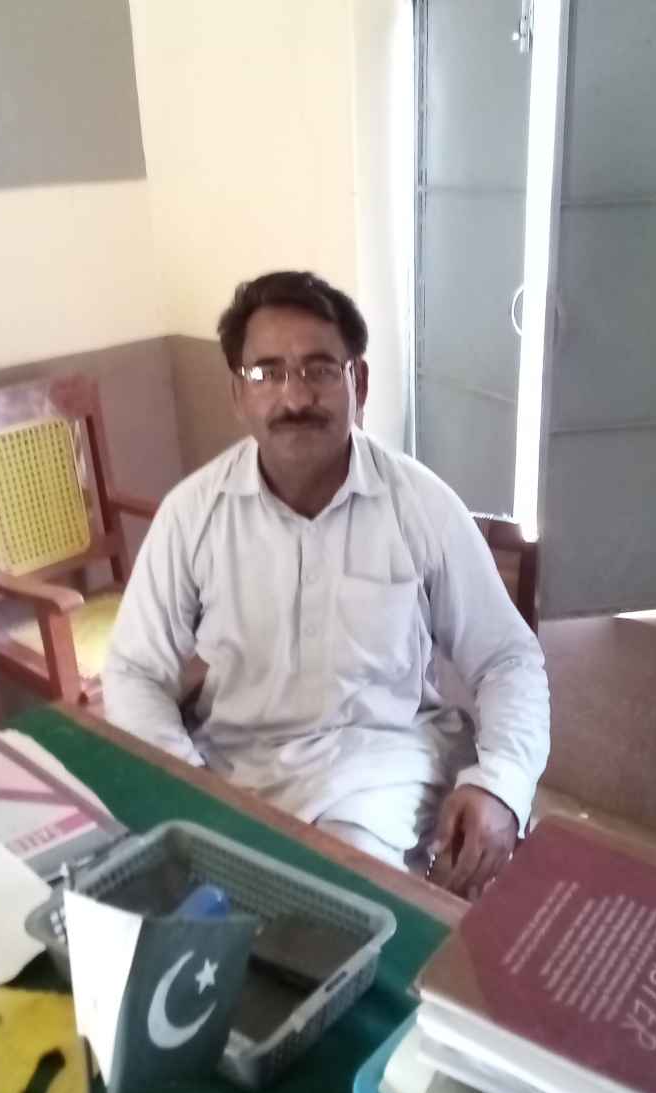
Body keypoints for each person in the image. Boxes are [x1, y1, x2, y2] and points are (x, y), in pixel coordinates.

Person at [103, 270, 550, 899]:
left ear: (357, 383)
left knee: (348, 901)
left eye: (319, 369)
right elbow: (133, 671)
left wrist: (501, 783)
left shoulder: (419, 505)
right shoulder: (193, 514)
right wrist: (184, 783)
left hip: (382, 770)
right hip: (235, 775)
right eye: (267, 373)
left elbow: (507, 658)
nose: (294, 397)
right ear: (238, 393)